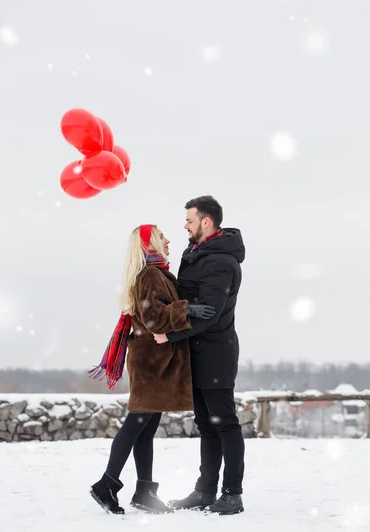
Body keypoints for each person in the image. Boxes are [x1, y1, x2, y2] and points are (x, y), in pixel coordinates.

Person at [88, 224, 215, 515]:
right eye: (161, 237)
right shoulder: (150, 275)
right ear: (149, 245)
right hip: (151, 363)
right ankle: (106, 484)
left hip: (155, 361)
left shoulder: (155, 273)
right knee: (136, 424)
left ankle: (144, 491)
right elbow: (154, 317)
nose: (168, 240)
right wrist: (188, 310)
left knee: (145, 429)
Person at [153, 196, 245, 516]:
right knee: (206, 423)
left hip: (216, 353)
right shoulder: (194, 253)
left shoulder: (221, 261)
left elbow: (211, 314)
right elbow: (188, 301)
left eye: (189, 220)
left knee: (225, 424)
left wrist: (169, 335)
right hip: (196, 353)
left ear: (206, 222)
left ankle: (232, 493)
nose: (185, 225)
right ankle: (205, 490)